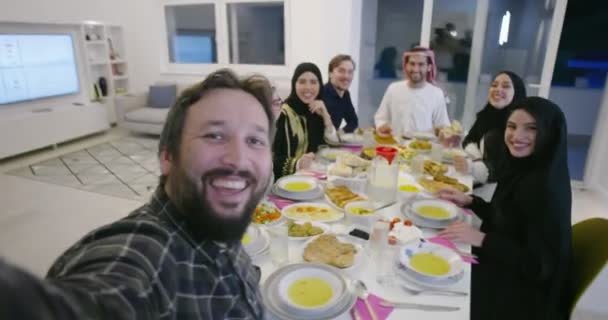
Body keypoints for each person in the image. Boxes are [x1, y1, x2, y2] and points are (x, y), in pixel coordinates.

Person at [0, 69, 275, 319]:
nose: (239, 159)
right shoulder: (145, 254)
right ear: (167, 157)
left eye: (254, 140)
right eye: (215, 135)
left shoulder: (216, 218)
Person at [437, 97, 572, 320]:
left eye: (531, 128)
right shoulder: (525, 170)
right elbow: (509, 220)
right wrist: (471, 201)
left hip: (523, 295)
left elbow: (538, 265)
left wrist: (482, 239)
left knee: (442, 287)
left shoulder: (544, 189)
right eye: (511, 126)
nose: (517, 136)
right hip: (506, 265)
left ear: (549, 133)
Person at [455, 71, 526, 184]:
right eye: (494, 85)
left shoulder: (518, 127)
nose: (498, 89)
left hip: (496, 191)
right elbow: (469, 139)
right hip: (477, 180)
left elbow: (501, 171)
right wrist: (477, 159)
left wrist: (474, 167)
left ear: (517, 92)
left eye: (506, 86)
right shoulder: (487, 115)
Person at [273, 62, 338, 178]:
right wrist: (298, 163)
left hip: (314, 177)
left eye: (313, 82)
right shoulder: (283, 115)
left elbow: (331, 148)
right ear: (294, 84)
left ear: (320, 85)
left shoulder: (316, 109)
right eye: (302, 81)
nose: (308, 87)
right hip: (287, 184)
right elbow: (271, 159)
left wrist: (326, 116)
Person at [374, 47, 450, 138]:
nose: (415, 69)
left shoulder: (437, 94)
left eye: (421, 64)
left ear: (429, 67)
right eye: (412, 64)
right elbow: (381, 117)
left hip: (424, 149)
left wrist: (443, 132)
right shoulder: (393, 89)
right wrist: (382, 126)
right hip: (395, 146)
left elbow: (443, 126)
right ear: (406, 66)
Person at [322, 54, 359, 133]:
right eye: (341, 71)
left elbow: (353, 121)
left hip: (333, 142)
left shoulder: (345, 94)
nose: (346, 76)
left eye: (350, 72)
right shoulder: (321, 94)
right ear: (330, 74)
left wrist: (341, 132)